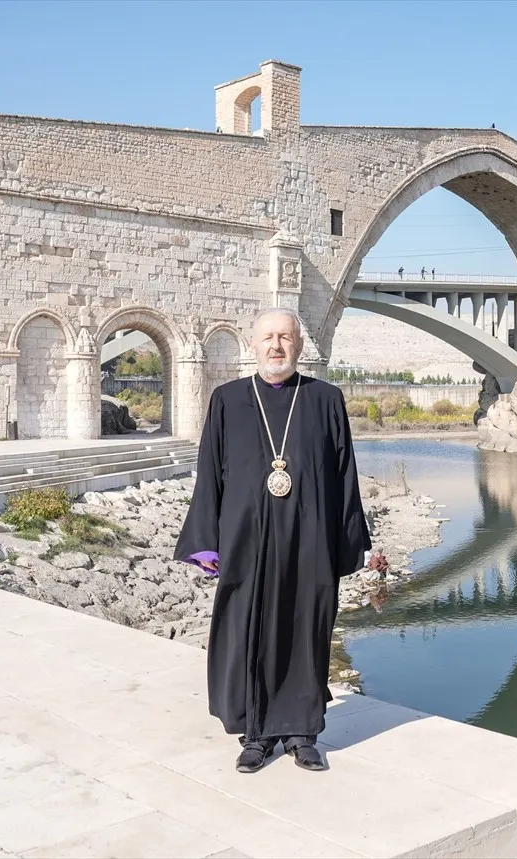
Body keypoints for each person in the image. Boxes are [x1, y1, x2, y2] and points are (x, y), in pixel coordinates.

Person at [176, 308, 371, 774]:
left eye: (285, 337)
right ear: (254, 344)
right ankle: (257, 735)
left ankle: (303, 733)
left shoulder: (325, 399)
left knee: (306, 630)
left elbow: (344, 474)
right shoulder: (227, 400)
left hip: (310, 541)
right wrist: (207, 540)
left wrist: (348, 540)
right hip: (246, 541)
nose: (276, 346)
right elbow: (210, 474)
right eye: (268, 338)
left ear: (300, 345)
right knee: (249, 631)